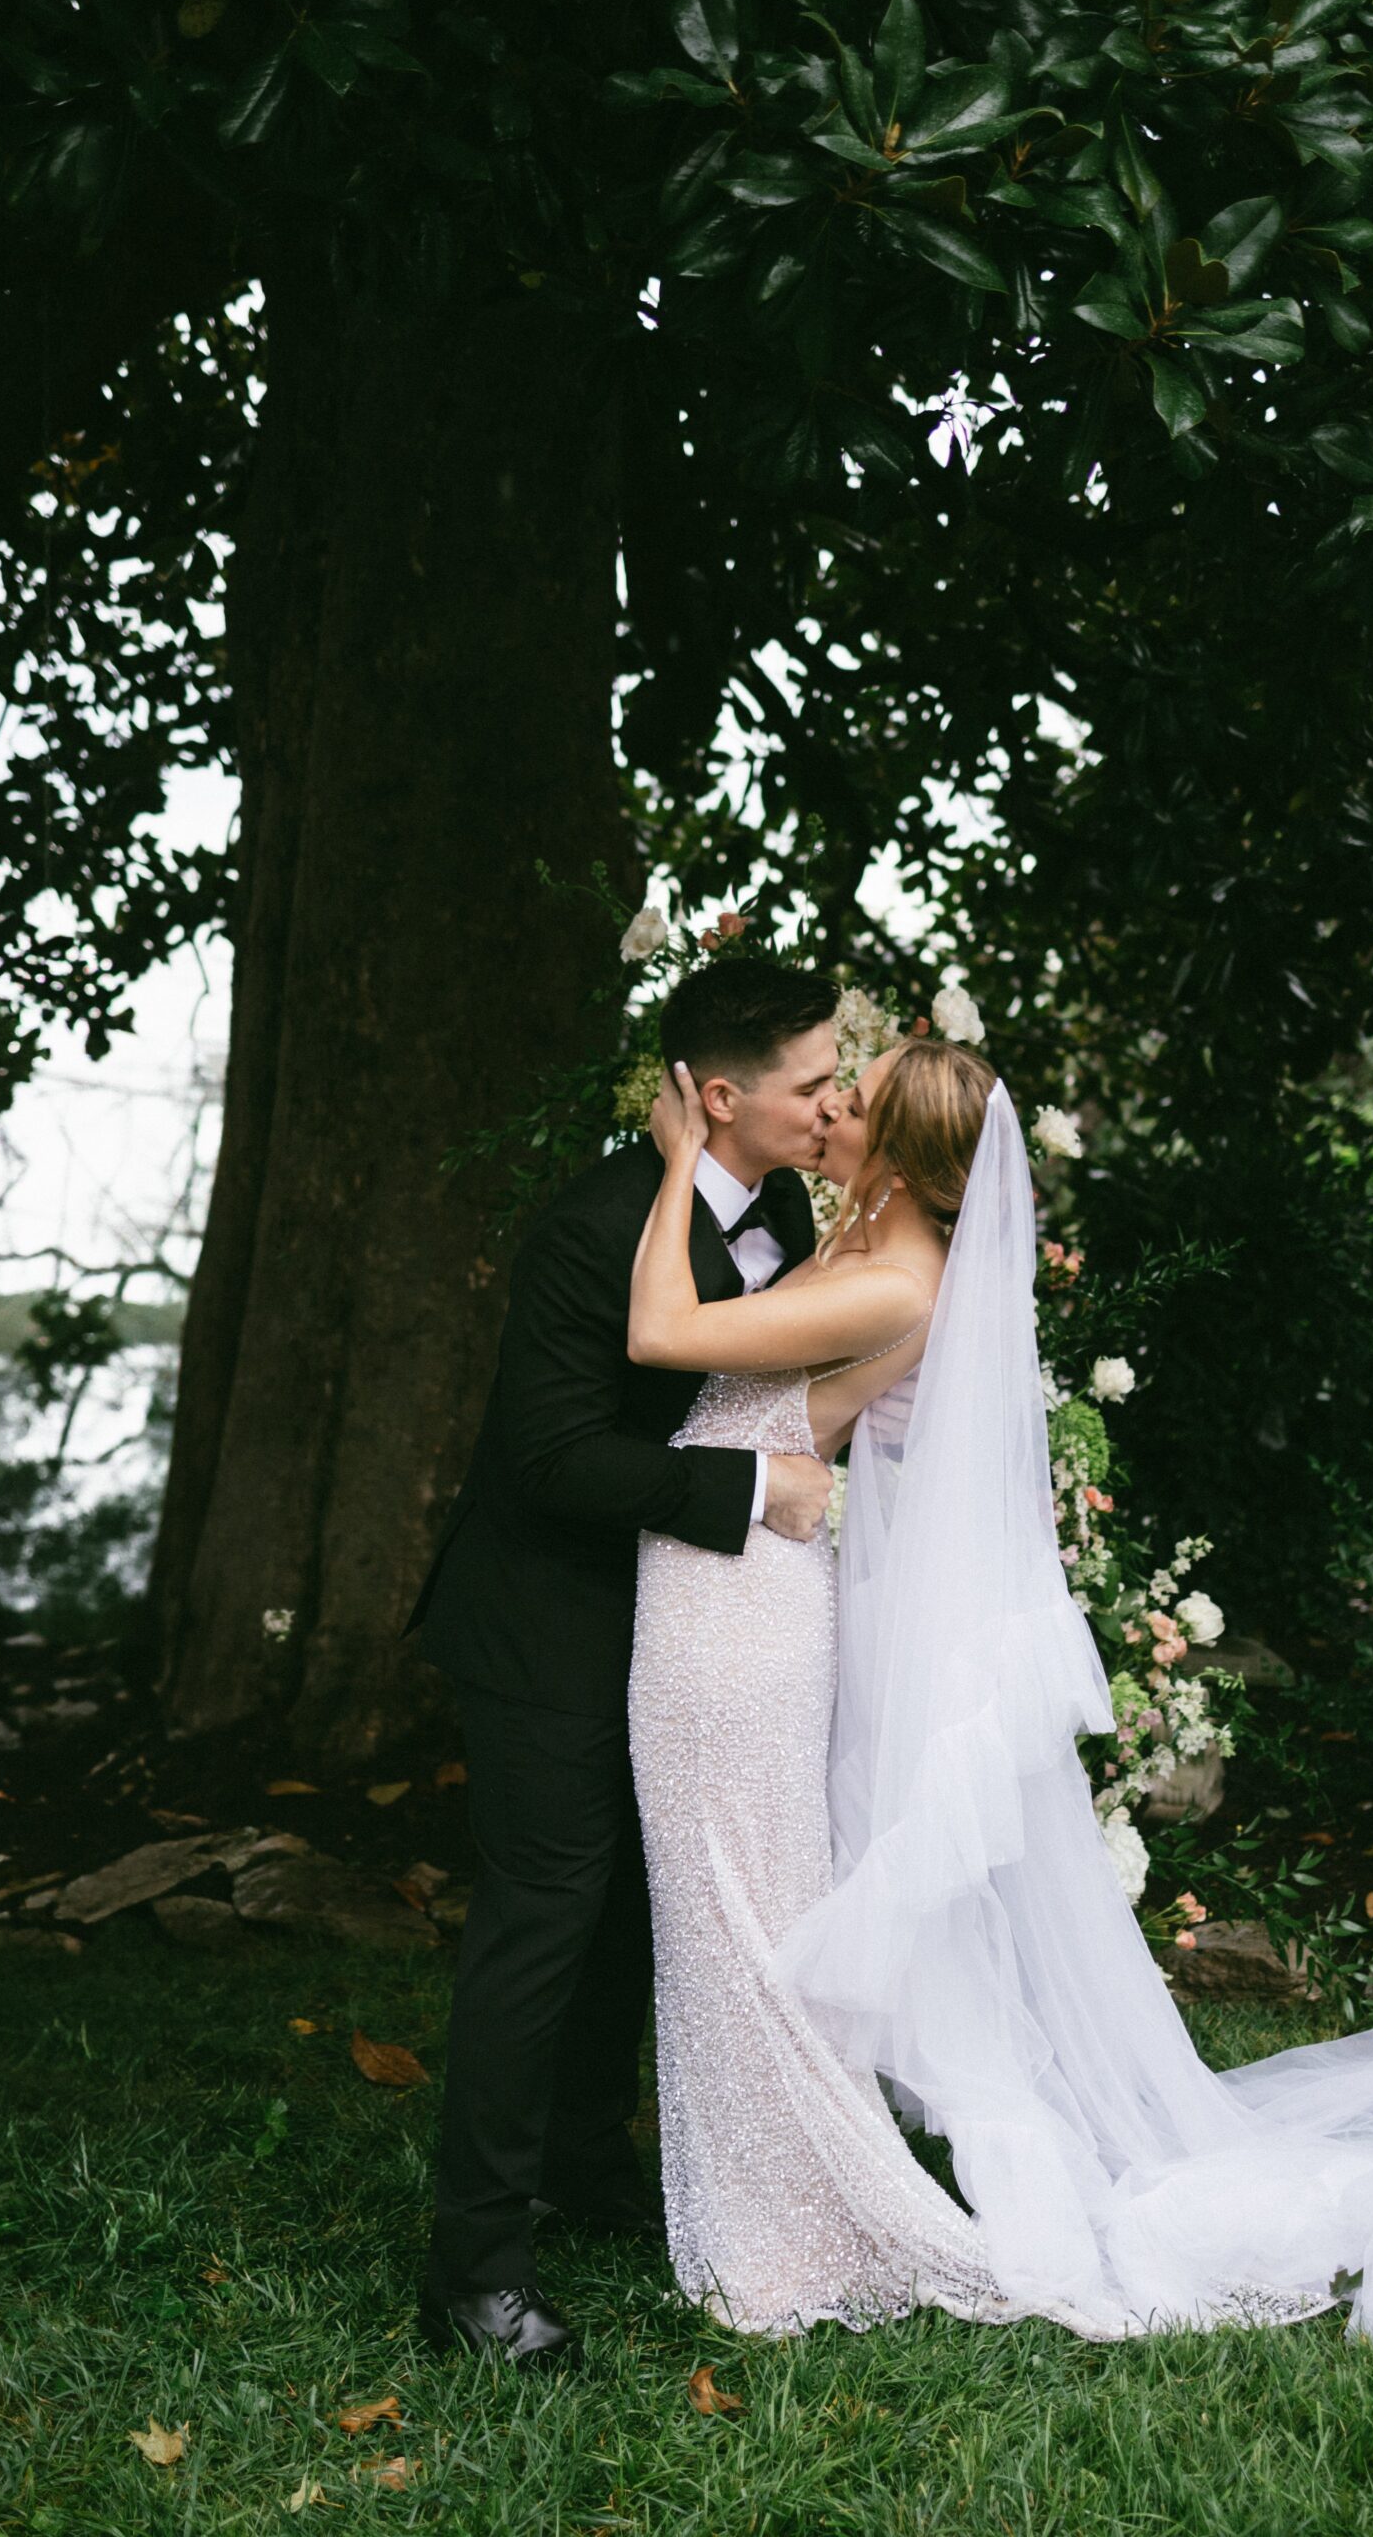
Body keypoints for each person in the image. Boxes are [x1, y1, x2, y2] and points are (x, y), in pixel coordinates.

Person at [626, 1036, 1373, 2368]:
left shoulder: (894, 1285)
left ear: (908, 1157)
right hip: (768, 1572)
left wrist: (683, 1154)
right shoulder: (868, 1251)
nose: (833, 1108)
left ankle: (819, 2185)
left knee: (802, 1899)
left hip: (772, 1585)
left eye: (852, 1102)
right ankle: (789, 2157)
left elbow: (672, 1342)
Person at [404, 957, 840, 2366]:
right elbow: (549, 1459)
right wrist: (751, 1495)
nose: (836, 1105)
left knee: (634, 1907)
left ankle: (589, 2164)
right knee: (546, 1915)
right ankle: (473, 2277)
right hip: (544, 1615)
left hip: (671, 1621)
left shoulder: (781, 1204)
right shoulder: (593, 1229)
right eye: (814, 1084)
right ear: (719, 1098)